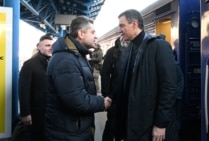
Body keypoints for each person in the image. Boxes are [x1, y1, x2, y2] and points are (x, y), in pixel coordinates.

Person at [114, 9, 178, 141]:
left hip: (150, 123)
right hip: (134, 123)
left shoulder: (159, 46)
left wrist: (161, 124)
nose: (119, 30)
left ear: (134, 24)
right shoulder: (128, 50)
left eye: (122, 26)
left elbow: (169, 87)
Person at [44, 16, 112, 141]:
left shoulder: (75, 56)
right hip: (68, 133)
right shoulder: (66, 60)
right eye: (92, 32)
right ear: (81, 33)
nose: (96, 36)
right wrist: (102, 102)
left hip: (73, 129)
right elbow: (77, 101)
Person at [17, 34, 54, 141]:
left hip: (50, 112)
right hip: (36, 113)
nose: (50, 48)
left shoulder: (53, 62)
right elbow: (23, 90)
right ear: (39, 46)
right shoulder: (29, 65)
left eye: (52, 45)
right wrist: (25, 113)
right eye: (47, 45)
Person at [101, 37, 129, 141]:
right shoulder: (112, 52)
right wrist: (107, 95)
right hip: (115, 97)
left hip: (131, 98)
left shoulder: (138, 50)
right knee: (112, 124)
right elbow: (105, 74)